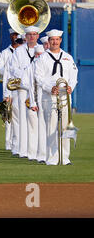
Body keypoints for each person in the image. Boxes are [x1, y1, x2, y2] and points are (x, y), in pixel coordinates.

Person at [34, 29, 78, 165]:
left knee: (65, 126)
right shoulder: (42, 58)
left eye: (57, 39)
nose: (54, 42)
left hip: (65, 95)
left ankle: (64, 157)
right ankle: (52, 157)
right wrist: (49, 87)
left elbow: (74, 75)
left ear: (60, 40)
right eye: (52, 39)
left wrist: (71, 86)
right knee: (51, 127)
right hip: (50, 96)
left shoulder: (67, 57)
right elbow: (38, 77)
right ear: (48, 41)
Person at [9, 26, 41, 159]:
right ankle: (23, 150)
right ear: (25, 37)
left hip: (38, 89)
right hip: (23, 89)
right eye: (29, 35)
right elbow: (14, 69)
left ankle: (37, 150)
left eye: (34, 34)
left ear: (38, 36)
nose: (32, 37)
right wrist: (27, 78)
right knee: (22, 119)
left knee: (37, 120)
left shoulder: (43, 50)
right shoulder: (19, 51)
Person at [0, 28, 19, 151]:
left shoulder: (26, 52)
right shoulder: (5, 53)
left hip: (21, 89)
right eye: (14, 34)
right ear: (10, 36)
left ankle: (19, 144)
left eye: (17, 34)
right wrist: (10, 71)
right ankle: (8, 144)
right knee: (8, 117)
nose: (16, 36)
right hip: (9, 89)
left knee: (21, 118)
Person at [24, 44, 46, 163]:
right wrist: (33, 101)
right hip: (32, 102)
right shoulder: (29, 68)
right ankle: (32, 154)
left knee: (44, 129)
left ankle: (43, 154)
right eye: (37, 54)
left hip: (44, 102)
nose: (39, 57)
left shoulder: (45, 66)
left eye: (41, 54)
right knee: (33, 129)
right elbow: (25, 83)